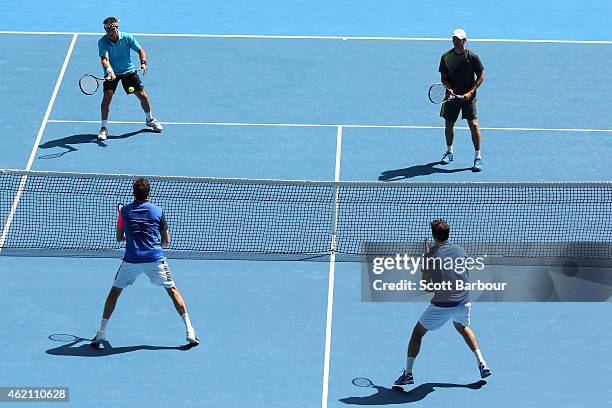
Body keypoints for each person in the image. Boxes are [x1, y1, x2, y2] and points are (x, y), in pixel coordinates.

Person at [91, 178, 199, 345]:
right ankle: (190, 331)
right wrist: (155, 245)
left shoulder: (124, 212)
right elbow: (166, 240)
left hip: (132, 260)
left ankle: (102, 332)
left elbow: (120, 238)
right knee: (172, 291)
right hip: (155, 259)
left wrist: (131, 237)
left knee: (114, 292)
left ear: (134, 192)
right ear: (148, 193)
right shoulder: (157, 211)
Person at [395, 220, 490, 385]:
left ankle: (408, 374)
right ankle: (482, 363)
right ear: (448, 234)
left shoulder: (430, 256)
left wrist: (427, 259)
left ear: (433, 235)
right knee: (462, 327)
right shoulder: (460, 250)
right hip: (464, 302)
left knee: (417, 333)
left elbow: (426, 287)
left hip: (442, 306)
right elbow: (465, 276)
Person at [97, 17, 163, 141]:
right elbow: (104, 59)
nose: (111, 33)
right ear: (105, 31)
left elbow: (140, 50)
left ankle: (150, 120)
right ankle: (104, 128)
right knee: (107, 98)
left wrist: (143, 62)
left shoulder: (127, 37)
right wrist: (109, 71)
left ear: (117, 28)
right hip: (112, 73)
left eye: (113, 30)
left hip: (128, 71)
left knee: (143, 96)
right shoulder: (102, 41)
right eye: (108, 31)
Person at [438, 29, 485, 172]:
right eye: (454, 39)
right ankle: (449, 152)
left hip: (469, 98)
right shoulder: (446, 57)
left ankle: (478, 157)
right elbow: (444, 78)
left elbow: (481, 76)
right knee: (449, 125)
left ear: (465, 40)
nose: (456, 41)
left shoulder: (472, 57)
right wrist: (450, 89)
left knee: (474, 125)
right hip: (452, 98)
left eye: (459, 39)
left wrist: (470, 92)